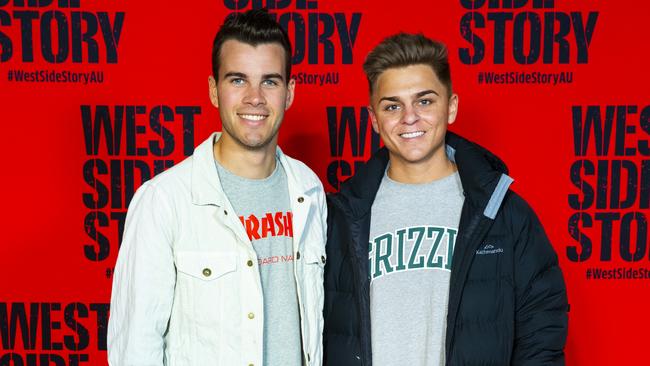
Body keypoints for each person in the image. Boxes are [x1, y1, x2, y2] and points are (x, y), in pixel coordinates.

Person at [323, 33, 568, 366]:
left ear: (451, 107)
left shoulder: (503, 213)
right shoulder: (339, 218)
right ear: (374, 119)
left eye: (425, 101)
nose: (409, 117)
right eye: (392, 106)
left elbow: (541, 330)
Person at [107, 9, 327, 366]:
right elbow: (135, 348)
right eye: (238, 80)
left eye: (270, 81)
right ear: (214, 90)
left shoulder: (310, 191)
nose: (254, 97)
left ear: (289, 93)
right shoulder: (165, 200)